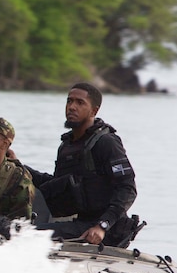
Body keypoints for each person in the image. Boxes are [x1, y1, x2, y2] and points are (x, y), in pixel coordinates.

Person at [23, 83, 139, 247]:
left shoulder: (106, 142)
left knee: (29, 236)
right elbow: (56, 185)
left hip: (105, 229)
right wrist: (19, 167)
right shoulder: (67, 146)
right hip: (80, 222)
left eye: (80, 103)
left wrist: (102, 226)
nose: (72, 107)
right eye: (69, 101)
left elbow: (128, 189)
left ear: (94, 111)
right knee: (18, 229)